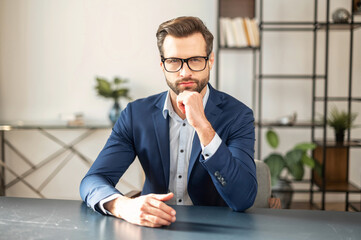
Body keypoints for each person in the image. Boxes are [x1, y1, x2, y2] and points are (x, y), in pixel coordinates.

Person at [80, 16, 257, 228]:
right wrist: (123, 206)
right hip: (151, 229)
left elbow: (243, 198)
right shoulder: (136, 114)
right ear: (162, 65)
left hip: (214, 231)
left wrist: (203, 126)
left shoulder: (238, 116)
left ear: (210, 60)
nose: (185, 72)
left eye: (195, 60)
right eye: (174, 61)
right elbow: (93, 180)